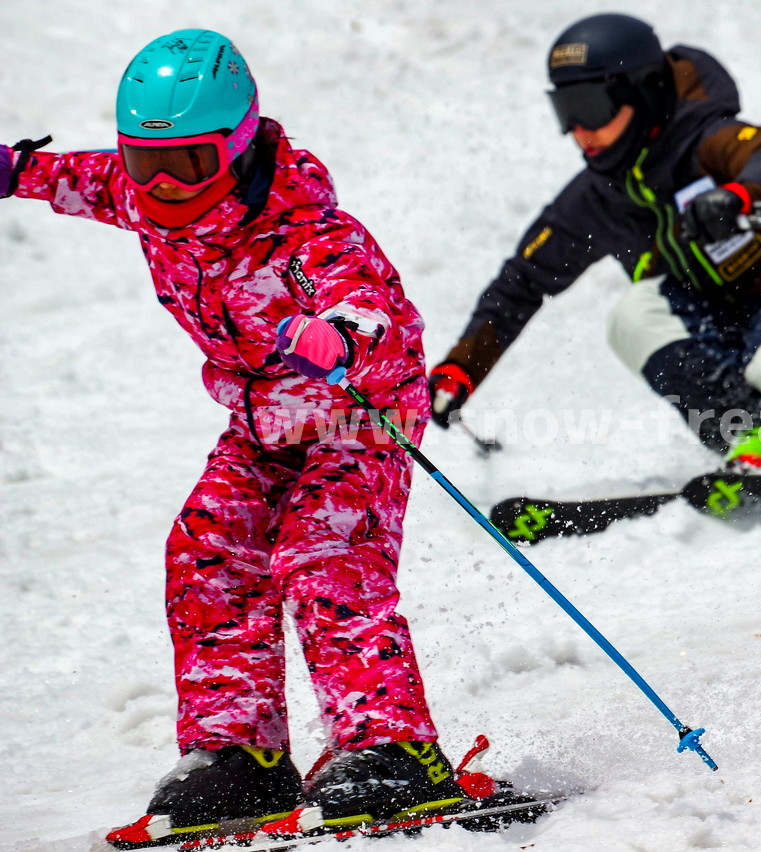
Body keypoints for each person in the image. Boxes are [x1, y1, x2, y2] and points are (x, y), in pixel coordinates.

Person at [2, 29, 502, 844]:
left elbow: (374, 313)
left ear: (237, 148)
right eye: (145, 160)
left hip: (352, 415)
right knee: (206, 547)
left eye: (191, 163)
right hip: (262, 421)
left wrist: (339, 338)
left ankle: (391, 747)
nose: (165, 188)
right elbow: (73, 175)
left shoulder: (303, 233)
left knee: (323, 555)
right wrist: (14, 171)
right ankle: (240, 756)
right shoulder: (141, 192)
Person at [427, 13, 761, 467]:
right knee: (633, 316)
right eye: (564, 112)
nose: (578, 129)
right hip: (718, 324)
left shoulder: (706, 138)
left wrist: (739, 196)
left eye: (589, 107)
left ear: (638, 92)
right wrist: (461, 367)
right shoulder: (596, 196)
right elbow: (521, 282)